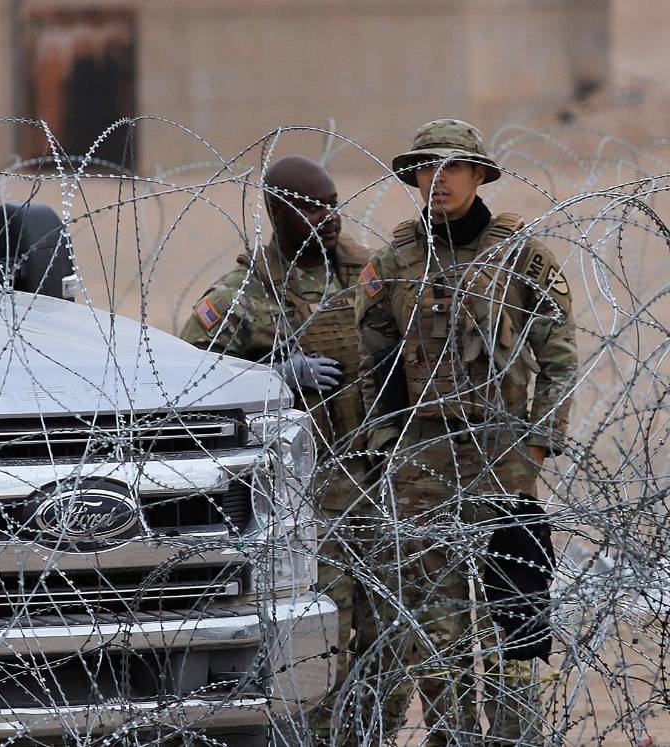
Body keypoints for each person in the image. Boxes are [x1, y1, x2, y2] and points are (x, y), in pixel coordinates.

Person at [353, 119, 577, 746]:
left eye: (453, 167)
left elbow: (557, 355)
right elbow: (374, 361)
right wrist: (384, 444)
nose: (439, 179)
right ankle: (451, 735)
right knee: (434, 623)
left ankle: (513, 736)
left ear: (479, 176)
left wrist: (538, 439)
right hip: (421, 459)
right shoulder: (393, 263)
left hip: (502, 455)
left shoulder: (522, 255)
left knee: (514, 617)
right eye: (427, 168)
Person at [180, 155, 392, 745]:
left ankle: (370, 731)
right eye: (312, 205)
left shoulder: (368, 274)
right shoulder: (248, 292)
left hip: (380, 472)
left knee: (392, 631)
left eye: (333, 203)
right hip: (308, 490)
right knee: (330, 628)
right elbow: (189, 377)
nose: (328, 217)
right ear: (280, 210)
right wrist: (277, 373)